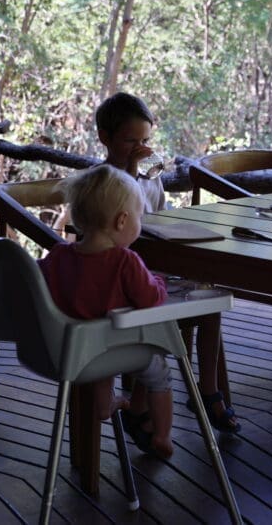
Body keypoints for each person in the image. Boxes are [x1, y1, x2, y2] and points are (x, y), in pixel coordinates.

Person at [95, 92, 240, 433]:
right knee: (165, 313)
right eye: (131, 141)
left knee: (208, 297)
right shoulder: (103, 179)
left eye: (145, 140)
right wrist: (131, 172)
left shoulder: (149, 176)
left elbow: (156, 215)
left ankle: (208, 389)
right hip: (121, 281)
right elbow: (118, 218)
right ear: (105, 138)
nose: (140, 148)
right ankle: (142, 405)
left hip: (152, 268)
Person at [38, 165, 175, 458]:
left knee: (100, 358)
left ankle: (105, 407)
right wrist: (161, 283)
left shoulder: (59, 255)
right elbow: (151, 299)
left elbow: (36, 284)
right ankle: (162, 435)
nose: (139, 221)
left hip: (69, 349)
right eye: (139, 216)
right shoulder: (126, 260)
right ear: (122, 220)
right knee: (159, 373)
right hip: (114, 347)